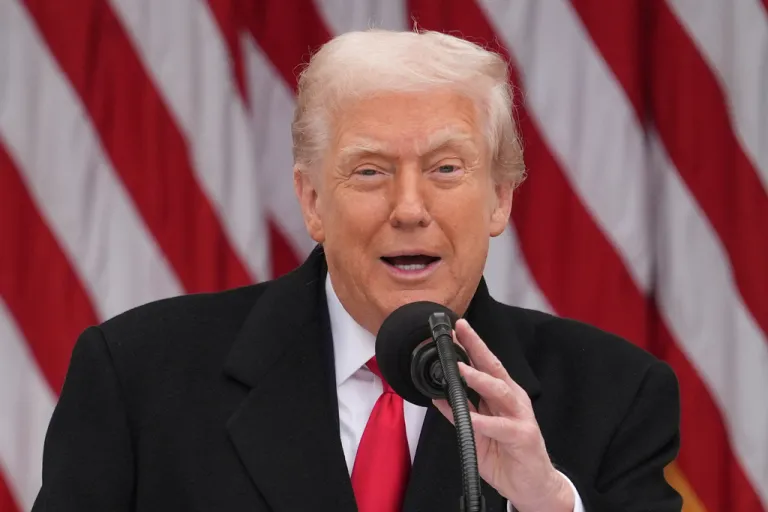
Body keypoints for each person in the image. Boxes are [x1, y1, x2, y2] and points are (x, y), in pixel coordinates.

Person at [32, 29, 682, 512]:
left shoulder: (616, 395)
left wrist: (546, 506)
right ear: (313, 199)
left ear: (500, 198)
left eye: (446, 169)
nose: (408, 208)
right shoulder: (137, 376)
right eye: (370, 170)